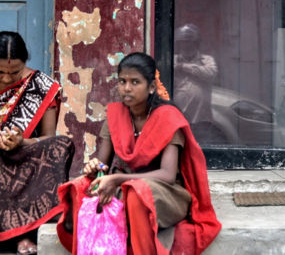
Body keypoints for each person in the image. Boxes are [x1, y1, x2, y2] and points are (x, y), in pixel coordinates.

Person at [56, 52, 221, 255]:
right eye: (122, 81)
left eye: (135, 82)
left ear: (151, 87)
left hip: (165, 194)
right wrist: (95, 167)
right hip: (124, 186)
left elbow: (167, 175)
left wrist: (117, 179)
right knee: (77, 187)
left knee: (136, 193)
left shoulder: (169, 118)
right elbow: (103, 162)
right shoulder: (115, 115)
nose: (127, 88)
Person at [0, 31, 75, 255]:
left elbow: (48, 137)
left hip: (23, 156)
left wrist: (22, 142)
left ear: (25, 64)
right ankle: (19, 235)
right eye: (0, 72)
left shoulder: (41, 86)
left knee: (61, 145)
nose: (6, 78)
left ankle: (26, 233)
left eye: (14, 73)